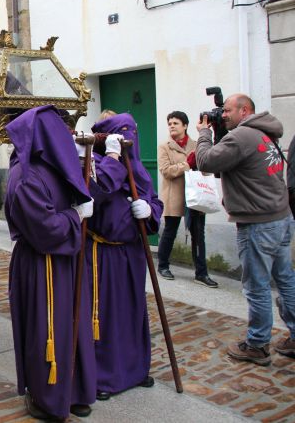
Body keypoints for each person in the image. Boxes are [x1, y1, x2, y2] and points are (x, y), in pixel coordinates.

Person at [5, 106, 96, 421]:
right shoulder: (25, 175)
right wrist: (76, 215)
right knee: (47, 329)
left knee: (74, 323)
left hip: (64, 260)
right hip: (41, 263)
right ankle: (48, 397)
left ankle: (75, 391)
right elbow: (45, 228)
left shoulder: (54, 167)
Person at [196, 93, 295, 365]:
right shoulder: (264, 133)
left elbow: (205, 161)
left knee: (257, 286)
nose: (223, 115)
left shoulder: (242, 137)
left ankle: (257, 344)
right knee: (285, 280)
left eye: (227, 110)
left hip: (258, 223)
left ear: (245, 110)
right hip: (280, 217)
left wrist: (204, 133)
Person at [87, 112, 163, 400]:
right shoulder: (93, 163)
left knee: (132, 312)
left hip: (132, 253)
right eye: (123, 133)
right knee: (105, 315)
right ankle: (104, 375)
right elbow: (94, 192)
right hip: (102, 252)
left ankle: (135, 369)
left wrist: (150, 210)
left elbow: (154, 199)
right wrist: (112, 161)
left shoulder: (139, 169)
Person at [156, 111, 218, 287]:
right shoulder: (165, 147)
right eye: (169, 123)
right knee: (170, 231)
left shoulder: (197, 144)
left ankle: (201, 273)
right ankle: (163, 266)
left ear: (185, 126)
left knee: (198, 234)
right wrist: (187, 164)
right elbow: (166, 171)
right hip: (174, 194)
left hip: (195, 194)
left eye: (176, 123)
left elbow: (206, 168)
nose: (172, 126)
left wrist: (197, 163)